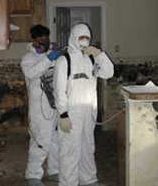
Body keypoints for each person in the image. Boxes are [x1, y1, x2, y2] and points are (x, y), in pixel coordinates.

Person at [53, 23, 114, 186]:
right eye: (81, 37)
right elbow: (59, 91)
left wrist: (99, 54)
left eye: (87, 38)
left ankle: (88, 179)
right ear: (73, 37)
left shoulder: (91, 59)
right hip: (71, 115)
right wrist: (63, 114)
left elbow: (108, 73)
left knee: (87, 147)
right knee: (69, 150)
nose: (84, 41)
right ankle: (68, 183)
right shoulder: (63, 61)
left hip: (89, 114)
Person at [21, 24, 61, 186]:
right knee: (40, 140)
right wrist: (48, 59)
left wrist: (55, 57)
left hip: (53, 105)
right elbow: (32, 73)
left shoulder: (51, 55)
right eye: (40, 40)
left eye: (46, 39)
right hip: (38, 107)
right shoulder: (28, 58)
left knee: (54, 140)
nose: (44, 42)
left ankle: (54, 170)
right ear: (34, 41)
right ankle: (33, 176)